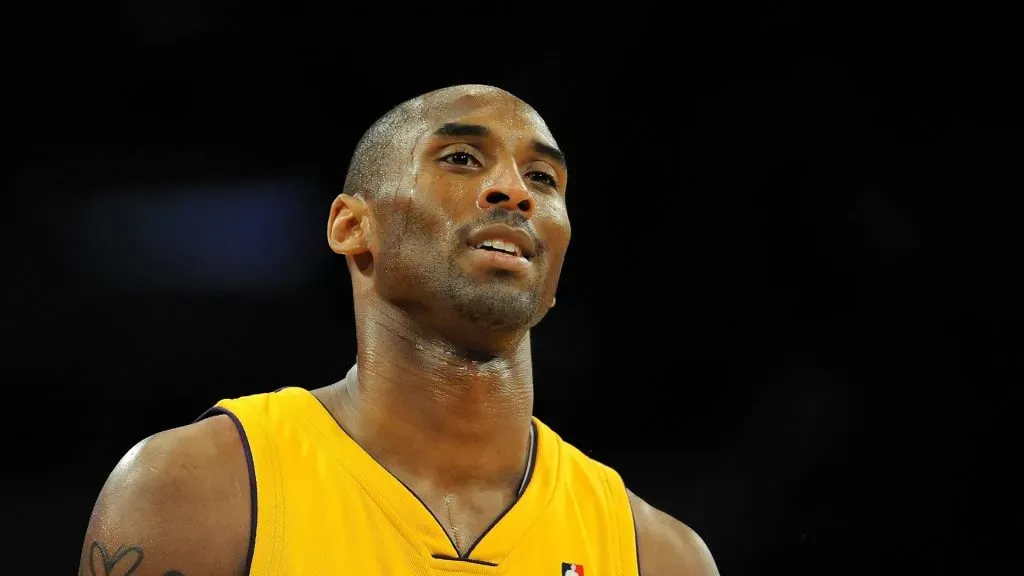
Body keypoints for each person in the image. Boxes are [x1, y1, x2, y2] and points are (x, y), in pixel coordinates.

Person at [79, 84, 720, 575]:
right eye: (463, 158)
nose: (514, 192)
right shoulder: (194, 491)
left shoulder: (658, 555)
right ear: (351, 228)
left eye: (543, 179)